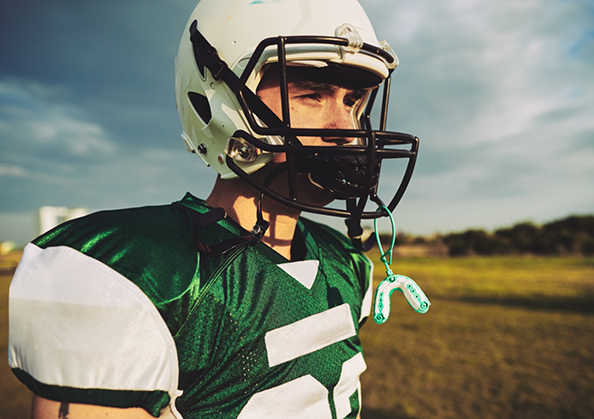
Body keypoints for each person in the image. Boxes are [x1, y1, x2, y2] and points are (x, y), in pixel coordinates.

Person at [8, 0, 419, 418]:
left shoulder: (346, 263)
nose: (347, 130)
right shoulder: (139, 275)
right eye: (312, 95)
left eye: (353, 102)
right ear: (217, 99)